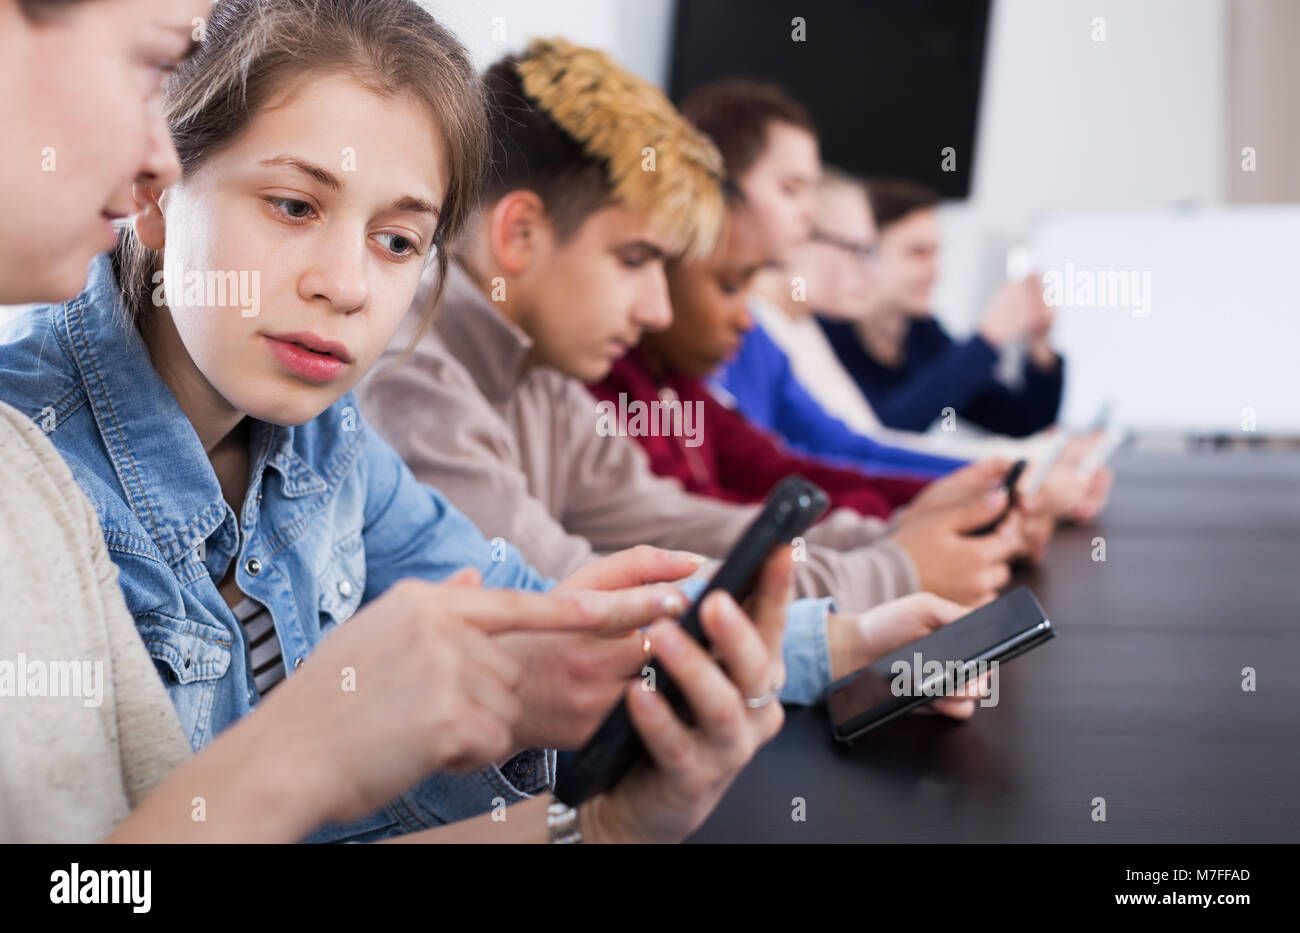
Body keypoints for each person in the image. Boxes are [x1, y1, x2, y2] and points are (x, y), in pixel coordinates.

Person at [0, 0, 786, 844]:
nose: (347, 285)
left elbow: (537, 615)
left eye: (399, 241)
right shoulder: (35, 477)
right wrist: (311, 749)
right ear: (159, 196)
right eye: (296, 206)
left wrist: (600, 823)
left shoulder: (329, 438)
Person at [820, 176, 1064, 437]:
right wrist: (987, 340)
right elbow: (881, 431)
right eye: (918, 253)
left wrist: (1040, 346)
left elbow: (1021, 423)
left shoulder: (922, 334)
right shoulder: (825, 333)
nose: (936, 270)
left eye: (937, 253)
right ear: (866, 251)